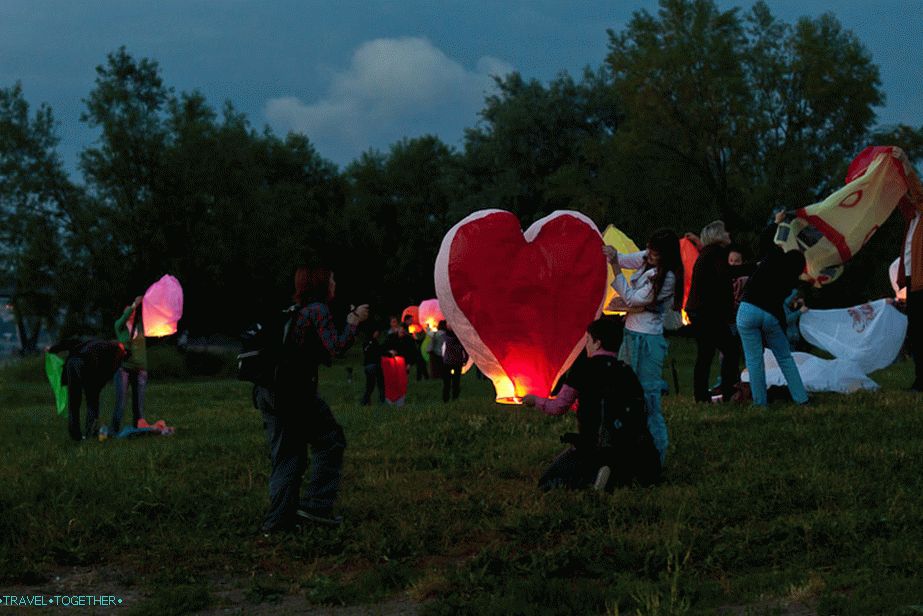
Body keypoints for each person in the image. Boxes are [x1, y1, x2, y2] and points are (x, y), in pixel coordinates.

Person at [255, 266, 368, 533]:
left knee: (288, 455)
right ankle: (316, 506)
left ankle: (278, 522)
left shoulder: (295, 312)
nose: (335, 283)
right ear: (321, 284)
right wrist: (353, 322)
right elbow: (336, 346)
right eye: (332, 279)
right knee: (331, 441)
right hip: (295, 394)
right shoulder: (318, 310)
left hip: (269, 390)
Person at [523, 318, 660, 491]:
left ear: (597, 343)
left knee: (548, 481)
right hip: (626, 445)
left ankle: (589, 479)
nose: (586, 345)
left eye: (587, 340)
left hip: (591, 443)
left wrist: (534, 401)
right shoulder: (626, 371)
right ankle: (615, 475)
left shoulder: (583, 369)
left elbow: (558, 406)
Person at [603, 228, 682, 465]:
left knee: (648, 396)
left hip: (648, 339)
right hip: (631, 333)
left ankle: (657, 452)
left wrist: (616, 270)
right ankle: (627, 446)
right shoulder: (648, 258)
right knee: (623, 391)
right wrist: (614, 255)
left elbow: (632, 298)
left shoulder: (667, 278)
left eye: (655, 254)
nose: (649, 255)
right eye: (649, 250)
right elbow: (628, 260)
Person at [736, 246, 809, 406]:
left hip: (747, 309)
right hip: (770, 315)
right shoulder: (791, 280)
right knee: (784, 358)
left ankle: (760, 403)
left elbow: (769, 242)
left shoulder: (773, 255)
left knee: (754, 361)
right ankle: (801, 398)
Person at [685, 220, 740, 403]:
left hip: (699, 311)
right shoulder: (716, 254)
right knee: (730, 350)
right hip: (708, 314)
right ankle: (728, 390)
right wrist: (751, 268)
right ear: (717, 235)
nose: (728, 235)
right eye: (725, 232)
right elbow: (725, 275)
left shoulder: (707, 254)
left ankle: (701, 395)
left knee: (705, 353)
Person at [48, 338, 127, 441]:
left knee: (74, 402)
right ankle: (90, 432)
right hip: (87, 365)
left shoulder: (94, 341)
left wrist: (52, 349)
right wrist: (97, 387)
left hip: (72, 363)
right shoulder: (116, 351)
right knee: (92, 402)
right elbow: (108, 372)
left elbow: (70, 342)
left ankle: (75, 435)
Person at [111, 296, 147, 433]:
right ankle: (114, 430)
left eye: (132, 312)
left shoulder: (140, 326)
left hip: (141, 369)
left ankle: (139, 429)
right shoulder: (120, 327)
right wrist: (134, 305)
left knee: (139, 403)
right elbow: (123, 318)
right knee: (121, 401)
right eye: (128, 312)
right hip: (124, 369)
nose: (131, 314)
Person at [898, 201, 923, 391]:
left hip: (920, 281)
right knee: (915, 332)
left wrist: (905, 170)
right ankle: (919, 378)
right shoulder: (912, 219)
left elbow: (916, 191)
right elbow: (902, 200)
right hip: (911, 279)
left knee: (919, 331)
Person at [441, 324, 468, 402]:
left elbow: (465, 349)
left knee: (455, 381)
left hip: (455, 361)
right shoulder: (448, 336)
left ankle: (453, 397)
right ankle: (447, 398)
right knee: (448, 382)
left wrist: (465, 359)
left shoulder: (446, 336)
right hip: (449, 361)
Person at [360, 325, 385, 406]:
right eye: (376, 332)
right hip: (374, 365)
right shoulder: (372, 342)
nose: (377, 334)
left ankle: (366, 401)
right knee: (378, 384)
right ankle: (379, 401)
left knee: (370, 385)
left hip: (369, 366)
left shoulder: (369, 342)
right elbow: (378, 351)